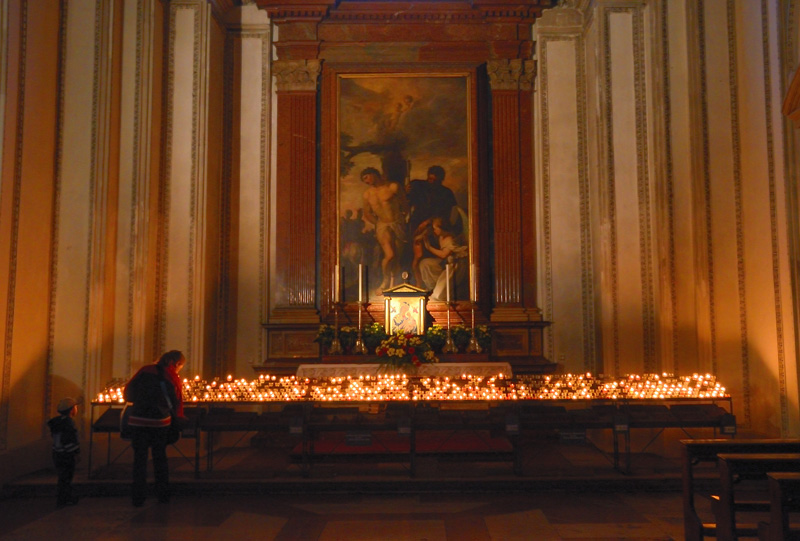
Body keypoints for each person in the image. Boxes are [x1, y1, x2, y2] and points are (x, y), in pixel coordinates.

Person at [124, 350, 186, 506]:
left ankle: (138, 497)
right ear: (176, 363)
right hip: (159, 423)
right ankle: (162, 494)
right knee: (160, 458)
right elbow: (177, 400)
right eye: (180, 366)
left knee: (139, 459)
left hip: (138, 420)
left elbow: (128, 392)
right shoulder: (171, 375)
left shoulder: (145, 370)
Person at [406, 166, 463, 286]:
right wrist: (406, 192)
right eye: (430, 179)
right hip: (417, 224)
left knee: (425, 255)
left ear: (441, 179)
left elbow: (446, 214)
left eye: (435, 180)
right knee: (416, 255)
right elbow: (407, 202)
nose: (432, 182)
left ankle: (426, 283)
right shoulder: (418, 185)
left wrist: (429, 222)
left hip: (434, 227)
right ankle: (418, 282)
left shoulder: (446, 193)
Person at [361, 167, 408, 290]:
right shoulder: (367, 194)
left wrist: (402, 219)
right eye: (363, 180)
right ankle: (385, 281)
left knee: (397, 256)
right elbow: (367, 213)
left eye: (366, 177)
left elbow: (405, 205)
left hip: (397, 223)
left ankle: (394, 283)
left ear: (374, 174)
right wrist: (378, 224)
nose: (366, 181)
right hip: (382, 226)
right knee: (390, 255)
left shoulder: (393, 187)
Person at [419, 217, 468, 301]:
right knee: (425, 263)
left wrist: (429, 247)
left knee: (439, 295)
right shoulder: (440, 237)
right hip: (446, 263)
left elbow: (443, 255)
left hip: (455, 266)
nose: (434, 231)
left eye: (435, 229)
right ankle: (432, 287)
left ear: (442, 228)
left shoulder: (449, 238)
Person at [47, 397, 80, 508]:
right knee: (66, 477)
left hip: (57, 453)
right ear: (71, 410)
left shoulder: (57, 422)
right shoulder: (68, 423)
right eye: (75, 407)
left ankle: (62, 498)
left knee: (62, 477)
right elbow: (69, 439)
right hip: (66, 454)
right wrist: (75, 453)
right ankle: (65, 498)